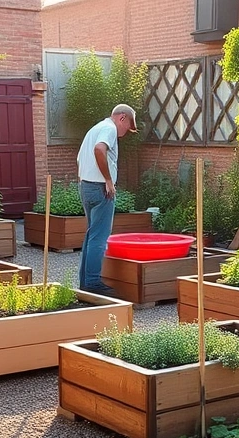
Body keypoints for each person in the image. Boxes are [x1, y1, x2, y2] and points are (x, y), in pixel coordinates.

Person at [75, 103, 137, 295]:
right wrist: (108, 180)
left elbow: (80, 158)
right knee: (99, 238)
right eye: (128, 127)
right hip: (101, 189)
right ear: (122, 118)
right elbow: (99, 150)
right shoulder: (109, 129)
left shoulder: (96, 128)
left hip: (86, 186)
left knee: (91, 235)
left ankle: (85, 282)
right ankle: (93, 282)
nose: (126, 132)